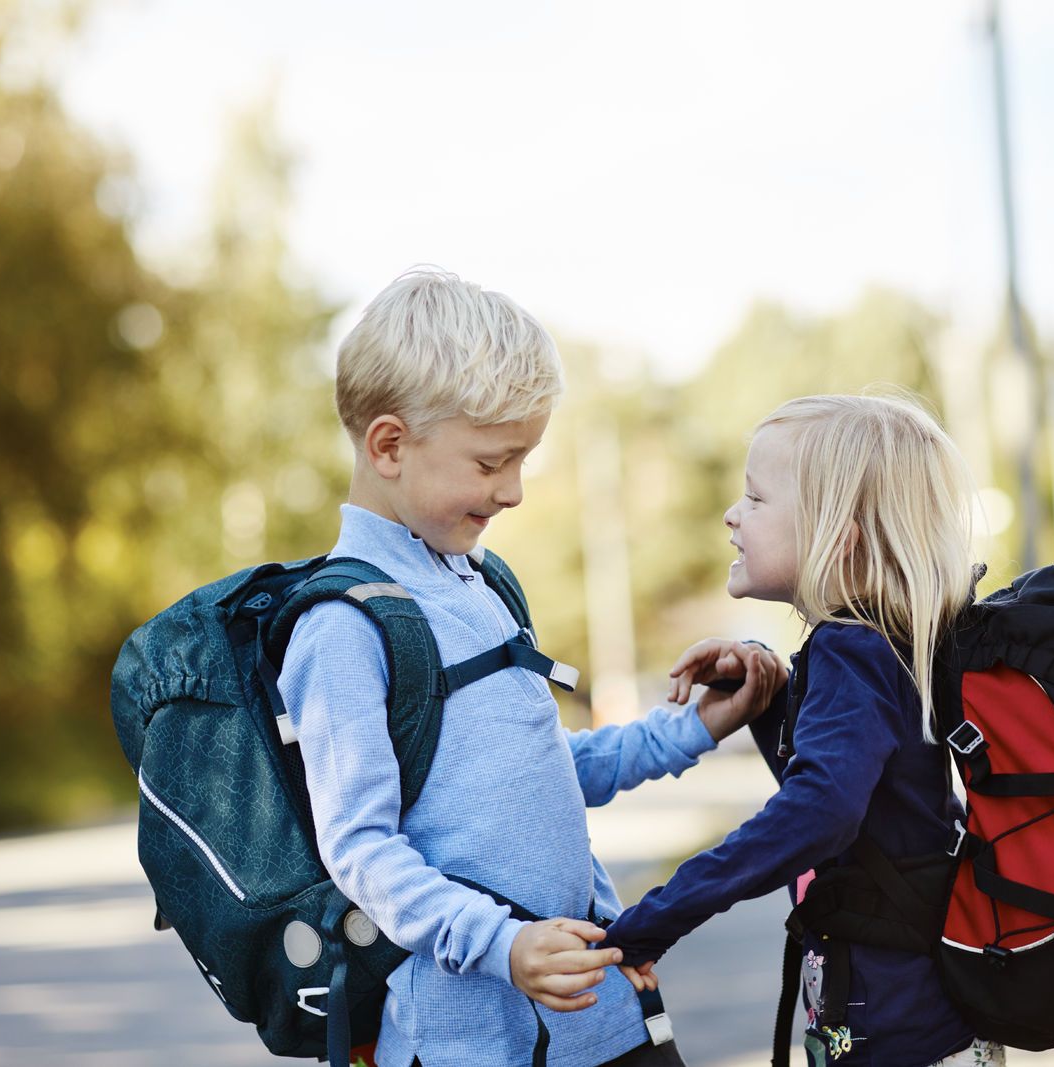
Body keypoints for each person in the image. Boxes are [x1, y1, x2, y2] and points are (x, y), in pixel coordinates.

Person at [278, 268, 782, 1067]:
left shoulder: (480, 583)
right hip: (475, 1043)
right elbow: (361, 849)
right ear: (389, 445)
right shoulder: (342, 625)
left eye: (524, 460)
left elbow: (540, 771)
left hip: (602, 1014)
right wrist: (503, 945)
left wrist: (691, 729)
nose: (513, 490)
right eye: (491, 462)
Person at [605, 394, 1005, 1066]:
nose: (733, 514)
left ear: (836, 535)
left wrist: (652, 920)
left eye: (757, 499)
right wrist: (769, 696)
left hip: (902, 1039)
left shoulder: (854, 650)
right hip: (920, 1026)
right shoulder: (883, 643)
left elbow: (820, 812)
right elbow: (856, 801)